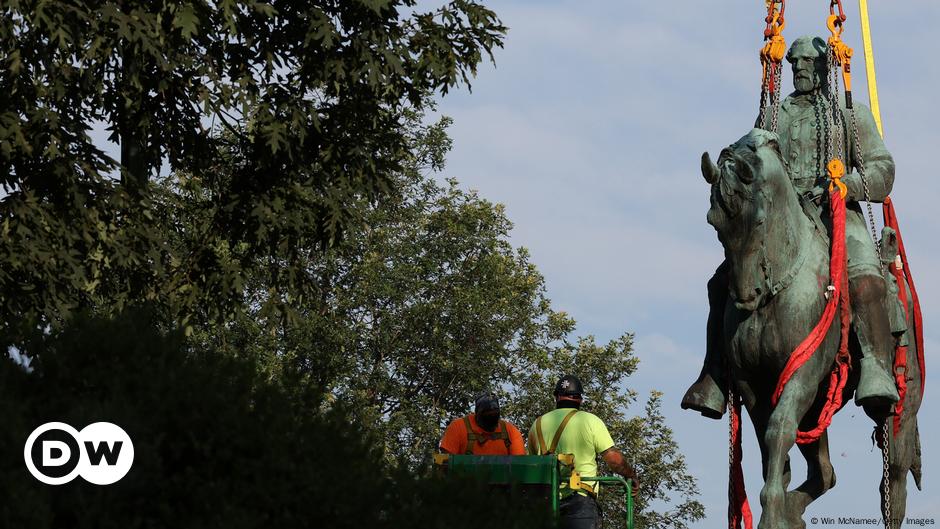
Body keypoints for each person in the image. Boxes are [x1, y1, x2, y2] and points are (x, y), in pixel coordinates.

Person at [682, 35, 899, 420]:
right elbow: (743, 157)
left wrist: (846, 184)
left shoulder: (850, 115)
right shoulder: (771, 117)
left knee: (865, 278)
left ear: (823, 68)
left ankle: (876, 368)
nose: (799, 68)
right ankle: (714, 374)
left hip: (835, 212)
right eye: (793, 62)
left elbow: (883, 170)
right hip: (782, 219)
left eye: (807, 62)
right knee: (721, 283)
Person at [527, 375, 639, 529]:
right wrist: (631, 475)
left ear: (556, 397)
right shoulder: (590, 421)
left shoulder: (537, 425)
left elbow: (531, 467)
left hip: (545, 504)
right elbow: (614, 459)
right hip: (580, 503)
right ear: (580, 399)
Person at [439, 392, 526, 455]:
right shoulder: (458, 428)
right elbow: (445, 464)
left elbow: (519, 466)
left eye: (494, 414)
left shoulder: (511, 432)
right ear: (477, 413)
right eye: (487, 415)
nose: (491, 416)